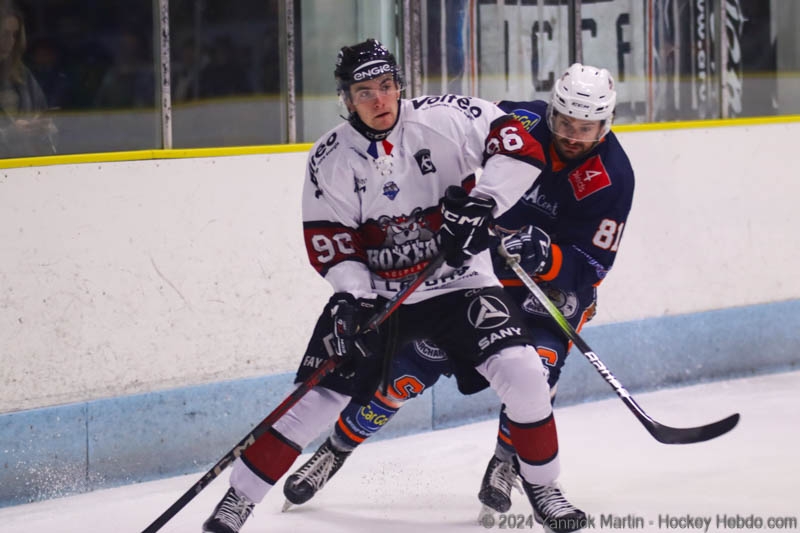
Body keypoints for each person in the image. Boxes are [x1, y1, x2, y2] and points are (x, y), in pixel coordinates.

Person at [203, 39, 586, 533]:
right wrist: (352, 295)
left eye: (387, 86)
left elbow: (520, 144)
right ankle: (237, 502)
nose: (380, 100)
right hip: (378, 298)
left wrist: (485, 203)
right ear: (346, 99)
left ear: (399, 85)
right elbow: (330, 240)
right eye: (365, 92)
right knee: (314, 403)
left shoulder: (444, 117)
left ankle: (545, 488)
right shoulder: (329, 158)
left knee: (526, 373)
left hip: (461, 285)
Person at [280, 63, 635, 525]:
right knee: (406, 372)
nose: (571, 135)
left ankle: (510, 465)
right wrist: (455, 210)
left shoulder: (614, 176)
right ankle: (337, 447)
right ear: (551, 110)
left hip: (547, 291)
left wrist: (546, 257)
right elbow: (448, 155)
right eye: (565, 122)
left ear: (604, 124)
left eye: (585, 128)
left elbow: (594, 266)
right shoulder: (518, 122)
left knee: (536, 375)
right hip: (473, 275)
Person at [0, 5, 57, 157]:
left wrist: (45, 129)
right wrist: (8, 135)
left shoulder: (22, 75)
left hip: (26, 169)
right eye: (4, 33)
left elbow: (44, 119)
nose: (10, 41)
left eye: (15, 35)